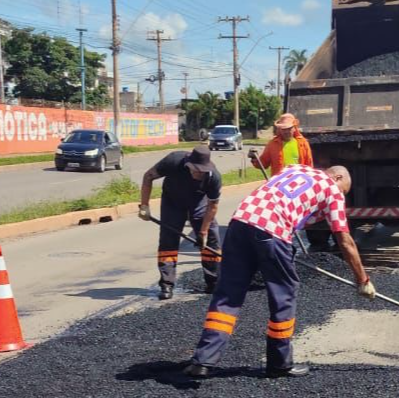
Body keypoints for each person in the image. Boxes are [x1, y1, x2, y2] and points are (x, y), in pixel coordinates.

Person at [182, 164, 375, 379]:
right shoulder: (331, 189)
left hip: (239, 224)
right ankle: (279, 364)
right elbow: (345, 241)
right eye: (344, 190)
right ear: (337, 177)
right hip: (272, 230)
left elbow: (289, 201)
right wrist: (363, 279)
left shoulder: (294, 169)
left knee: (228, 294)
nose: (342, 195)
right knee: (284, 293)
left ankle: (203, 360)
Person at [139, 145, 223, 300]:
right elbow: (148, 176)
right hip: (172, 202)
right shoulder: (174, 161)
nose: (199, 174)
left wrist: (203, 232)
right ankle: (167, 285)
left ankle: (213, 283)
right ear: (188, 164)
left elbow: (213, 205)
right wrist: (144, 205)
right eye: (196, 170)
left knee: (211, 239)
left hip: (199, 202)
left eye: (202, 171)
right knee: (168, 241)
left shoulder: (213, 177)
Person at [251, 113, 313, 177]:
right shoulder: (272, 144)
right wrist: (254, 158)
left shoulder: (303, 143)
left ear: (294, 128)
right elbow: (263, 164)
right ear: (279, 130)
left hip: (298, 182)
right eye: (283, 129)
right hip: (280, 183)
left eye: (289, 128)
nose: (286, 131)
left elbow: (309, 165)